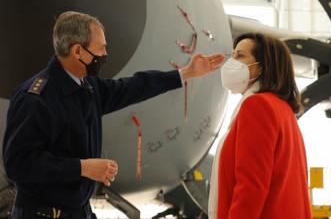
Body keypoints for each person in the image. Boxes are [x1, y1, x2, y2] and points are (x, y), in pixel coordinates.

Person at [2, 11, 224, 219]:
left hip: (77, 210)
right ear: (77, 51)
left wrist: (185, 74)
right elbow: (18, 164)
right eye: (100, 49)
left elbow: (134, 86)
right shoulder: (35, 98)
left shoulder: (87, 88)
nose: (105, 55)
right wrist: (82, 168)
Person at [208, 32, 312, 219]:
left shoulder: (256, 106)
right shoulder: (283, 109)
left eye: (240, 56)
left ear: (262, 66)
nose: (231, 63)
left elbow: (251, 186)